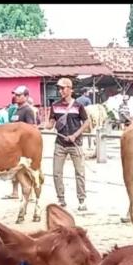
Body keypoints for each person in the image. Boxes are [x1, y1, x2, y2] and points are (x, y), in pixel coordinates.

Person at [46, 78, 90, 211]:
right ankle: (61, 199)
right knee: (57, 172)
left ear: (70, 89)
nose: (60, 91)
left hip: (75, 143)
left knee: (80, 173)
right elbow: (51, 123)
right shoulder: (55, 106)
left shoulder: (78, 106)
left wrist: (75, 135)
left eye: (63, 88)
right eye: (59, 88)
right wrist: (40, 126)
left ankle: (81, 200)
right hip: (60, 143)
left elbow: (87, 122)